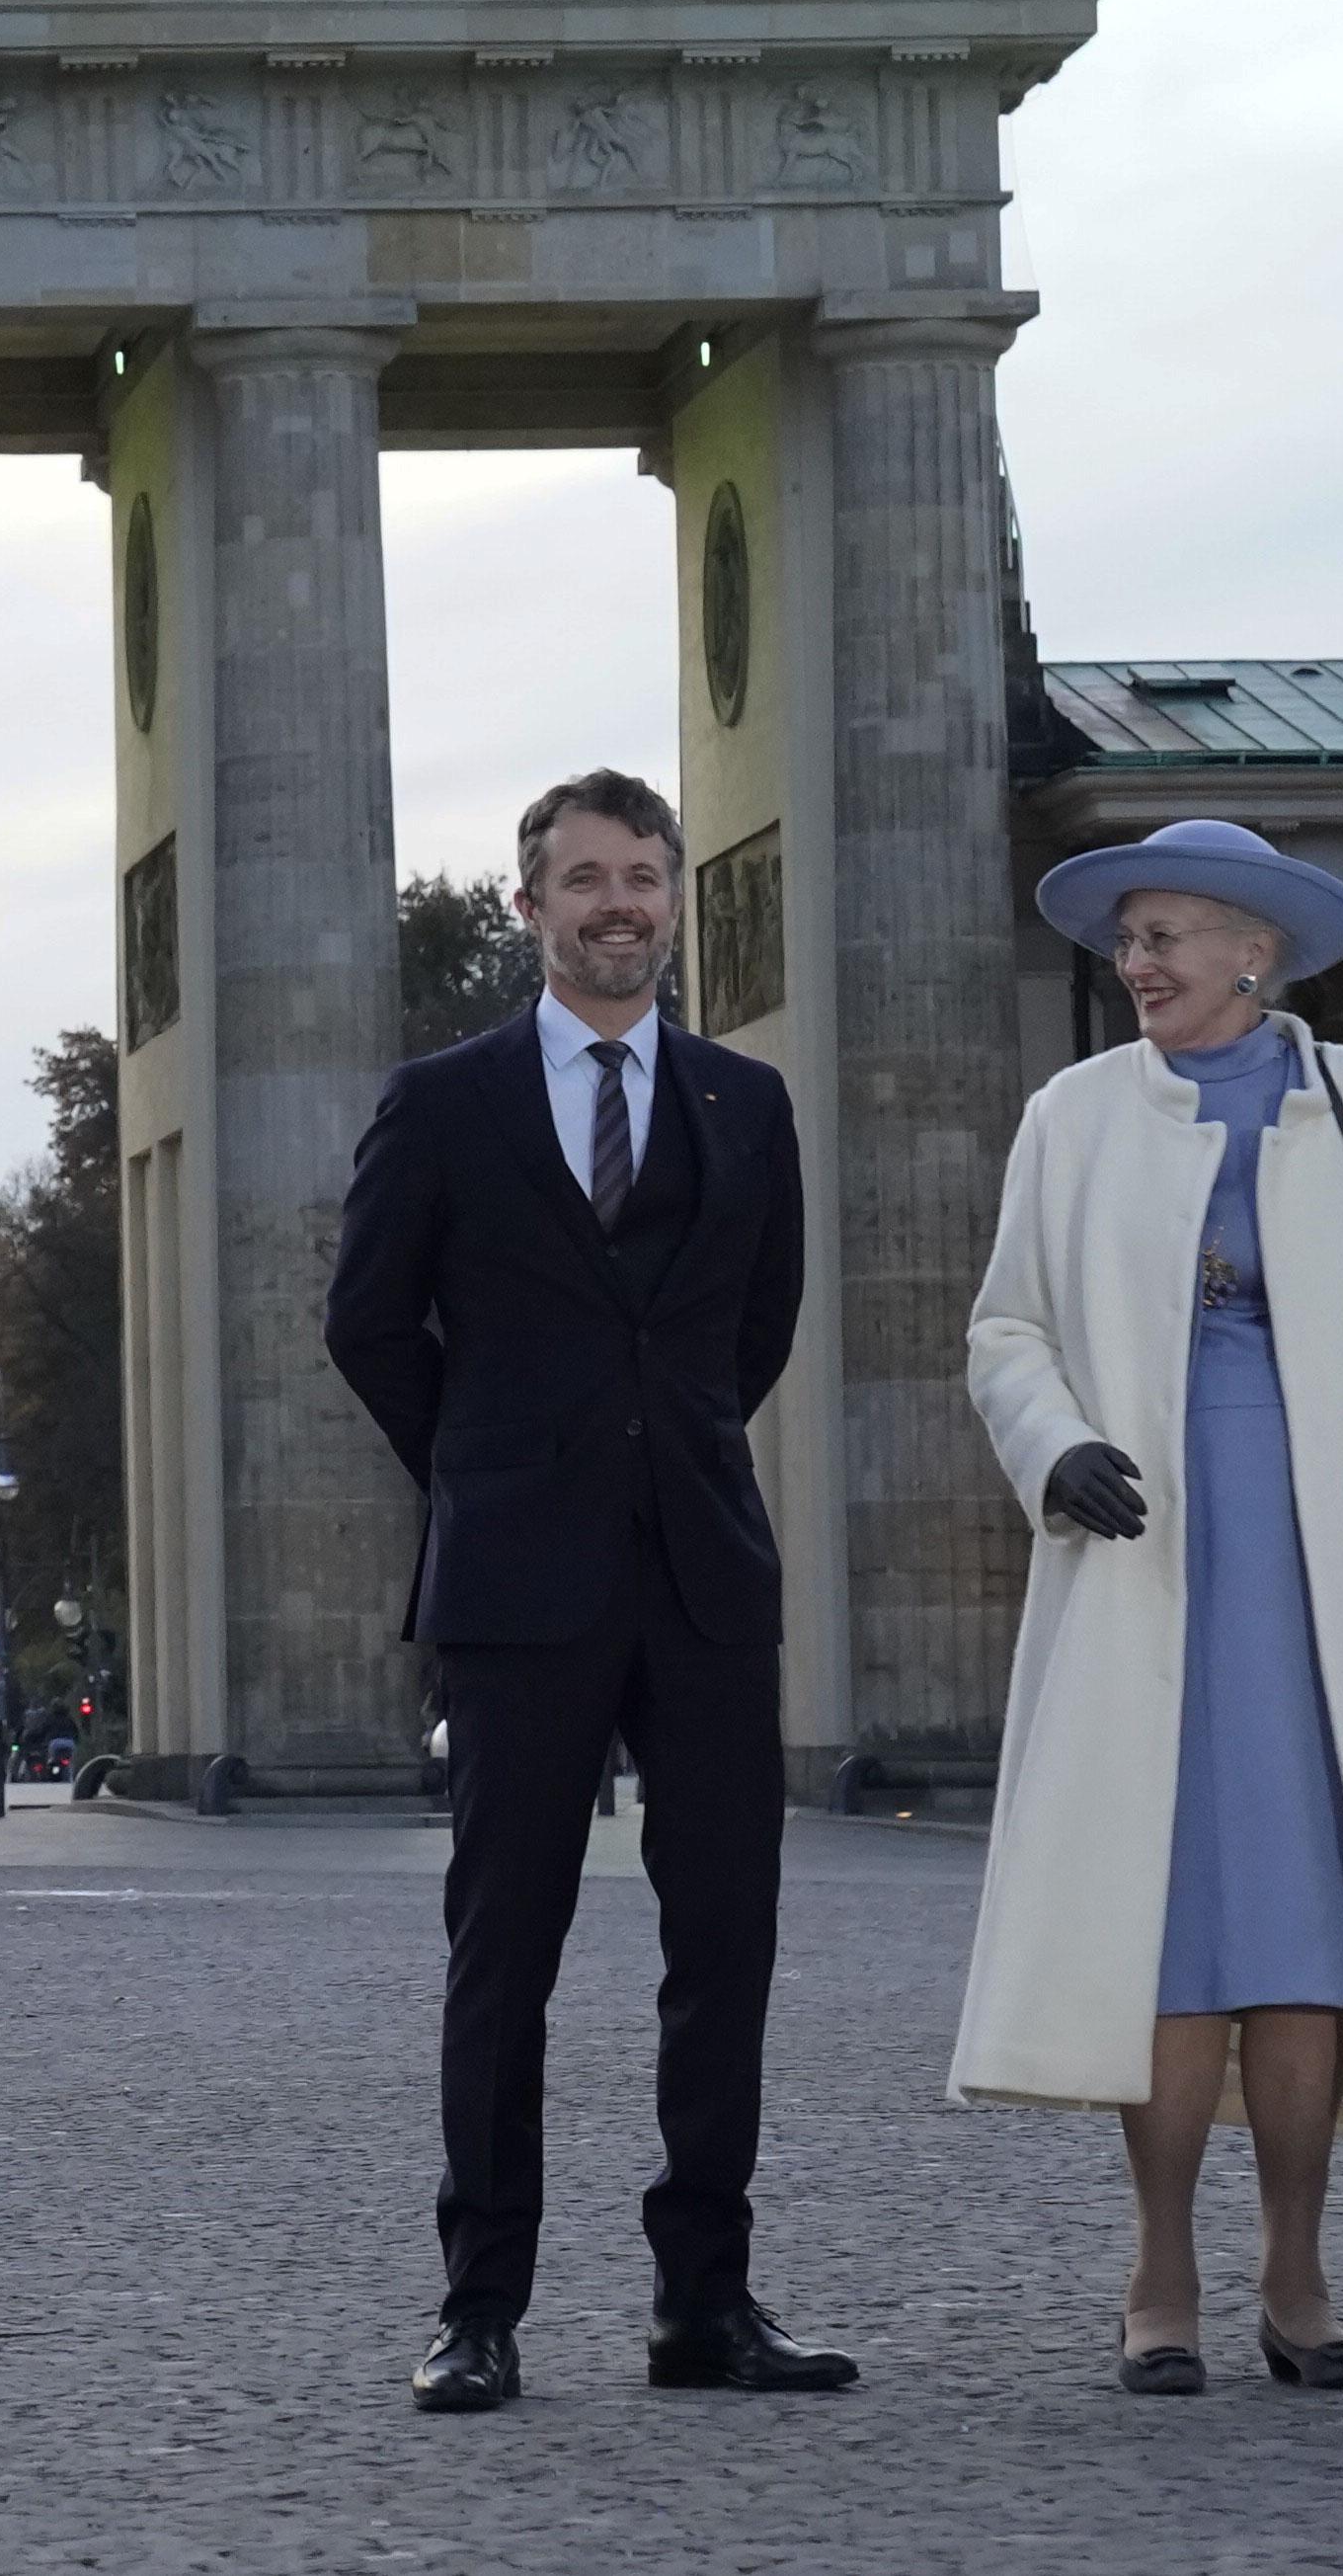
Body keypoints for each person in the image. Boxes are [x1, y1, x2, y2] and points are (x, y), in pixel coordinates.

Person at [953, 819, 1343, 2395]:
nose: (1142, 963)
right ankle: (1157, 2273)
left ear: (1260, 948)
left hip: (1340, 1572)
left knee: (1308, 1932)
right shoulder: (1074, 1113)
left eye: (1170, 934)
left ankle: (1297, 2275)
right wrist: (1056, 1445)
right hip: (1151, 1552)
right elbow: (1005, 1328)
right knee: (1163, 1932)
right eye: (1129, 940)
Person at [324, 766, 848, 2418]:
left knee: (728, 1948)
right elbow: (364, 1319)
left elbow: (754, 1329)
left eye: (645, 875)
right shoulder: (445, 1101)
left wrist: (659, 1446)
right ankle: (480, 2304)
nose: (620, 902)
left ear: (675, 898)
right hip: (518, 1579)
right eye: (586, 878)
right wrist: (486, 1461)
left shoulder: (745, 1108)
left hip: (702, 1572)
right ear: (529, 905)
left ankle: (706, 2301)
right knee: (506, 1951)